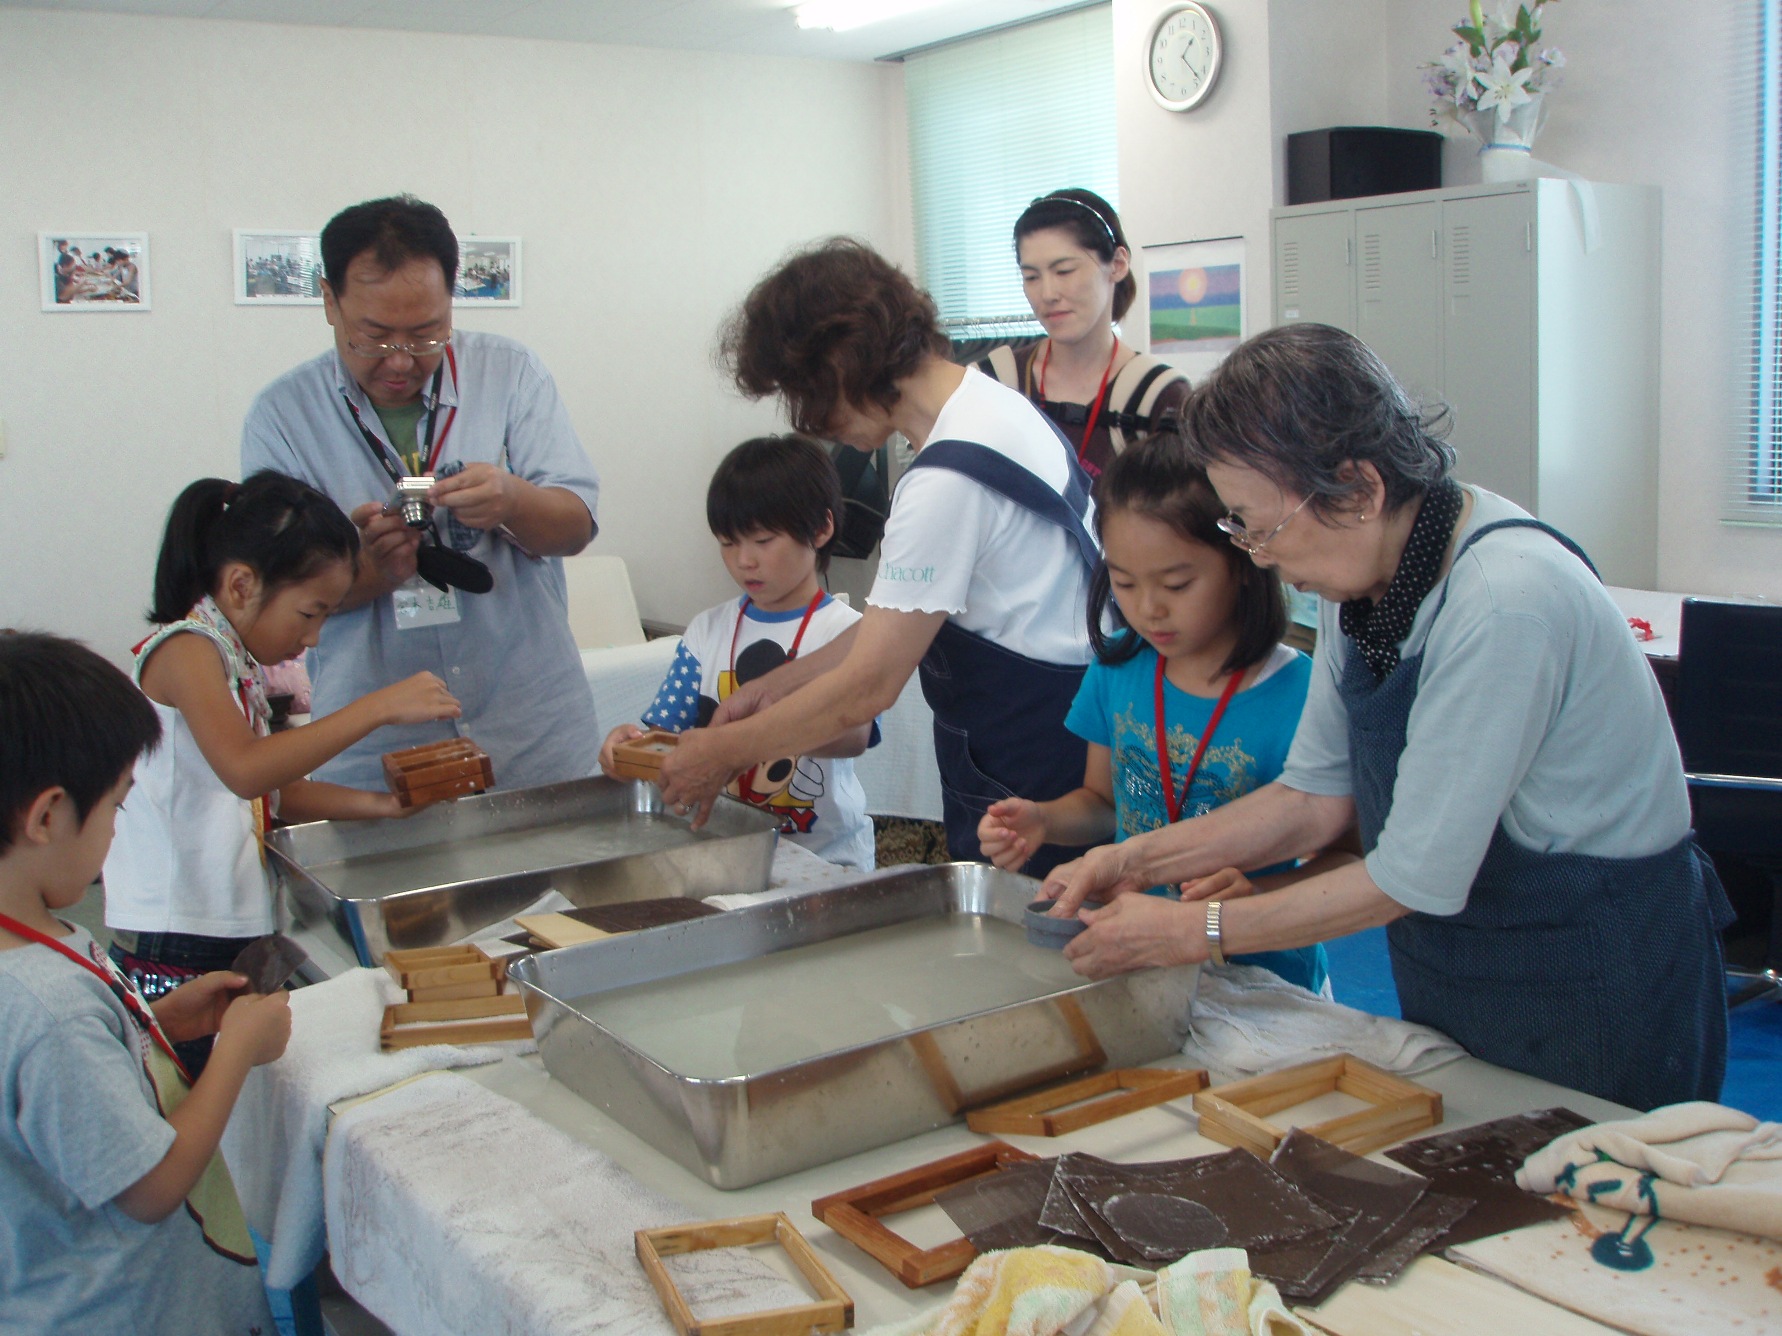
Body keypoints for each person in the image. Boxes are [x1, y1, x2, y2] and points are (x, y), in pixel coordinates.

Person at [1046, 323, 1733, 1112]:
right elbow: (1312, 798)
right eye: (1239, 528)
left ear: (1360, 488)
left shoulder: (1505, 601)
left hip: (1592, 969)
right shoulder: (1363, 579)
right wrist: (1133, 861)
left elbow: (1414, 874)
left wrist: (1193, 930)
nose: (1258, 557)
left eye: (1260, 527)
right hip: (1462, 956)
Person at [657, 238, 1098, 875]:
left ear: (843, 359)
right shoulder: (991, 407)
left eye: (801, 390)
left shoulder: (947, 477)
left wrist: (722, 751)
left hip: (1033, 759)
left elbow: (868, 686)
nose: (807, 419)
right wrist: (778, 685)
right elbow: (900, 624)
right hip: (1070, 734)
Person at [241, 194, 601, 792]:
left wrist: (513, 501)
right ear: (329, 301)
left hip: (530, 726)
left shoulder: (511, 375)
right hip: (376, 750)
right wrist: (365, 571)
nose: (401, 362)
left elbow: (577, 526)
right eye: (374, 338)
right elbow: (275, 602)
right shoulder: (281, 417)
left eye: (427, 334)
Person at [104, 473, 459, 1071]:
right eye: (310, 613)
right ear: (242, 584)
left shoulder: (233, 659)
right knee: (182, 1090)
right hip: (174, 934)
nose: (312, 637)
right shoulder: (186, 650)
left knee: (241, 1084)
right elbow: (246, 771)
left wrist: (382, 807)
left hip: (230, 922)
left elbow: (275, 791)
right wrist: (376, 707)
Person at [0, 631, 292, 1334]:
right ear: (46, 817)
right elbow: (151, 1184)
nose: (115, 834)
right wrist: (233, 1053)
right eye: (117, 809)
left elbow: (62, 1112)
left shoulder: (38, 941)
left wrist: (153, 1025)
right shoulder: (44, 1005)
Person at [979, 436, 1340, 993]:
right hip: (1136, 956)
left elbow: (1344, 863)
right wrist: (1046, 821)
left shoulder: (1302, 696)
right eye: (1124, 582)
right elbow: (1102, 802)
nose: (1149, 608)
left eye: (1177, 584)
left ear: (1244, 560)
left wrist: (1255, 892)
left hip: (1259, 977)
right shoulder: (1120, 668)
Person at [600, 436, 876, 869]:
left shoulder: (848, 632)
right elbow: (664, 739)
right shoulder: (706, 632)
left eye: (763, 540)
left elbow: (854, 734)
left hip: (825, 857)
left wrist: (744, 741)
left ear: (821, 529)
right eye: (728, 543)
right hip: (724, 851)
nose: (744, 560)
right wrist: (627, 750)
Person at [978, 190, 1190, 478]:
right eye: (1031, 277)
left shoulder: (1159, 396)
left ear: (1117, 264)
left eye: (1064, 271)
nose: (1048, 294)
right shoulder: (993, 381)